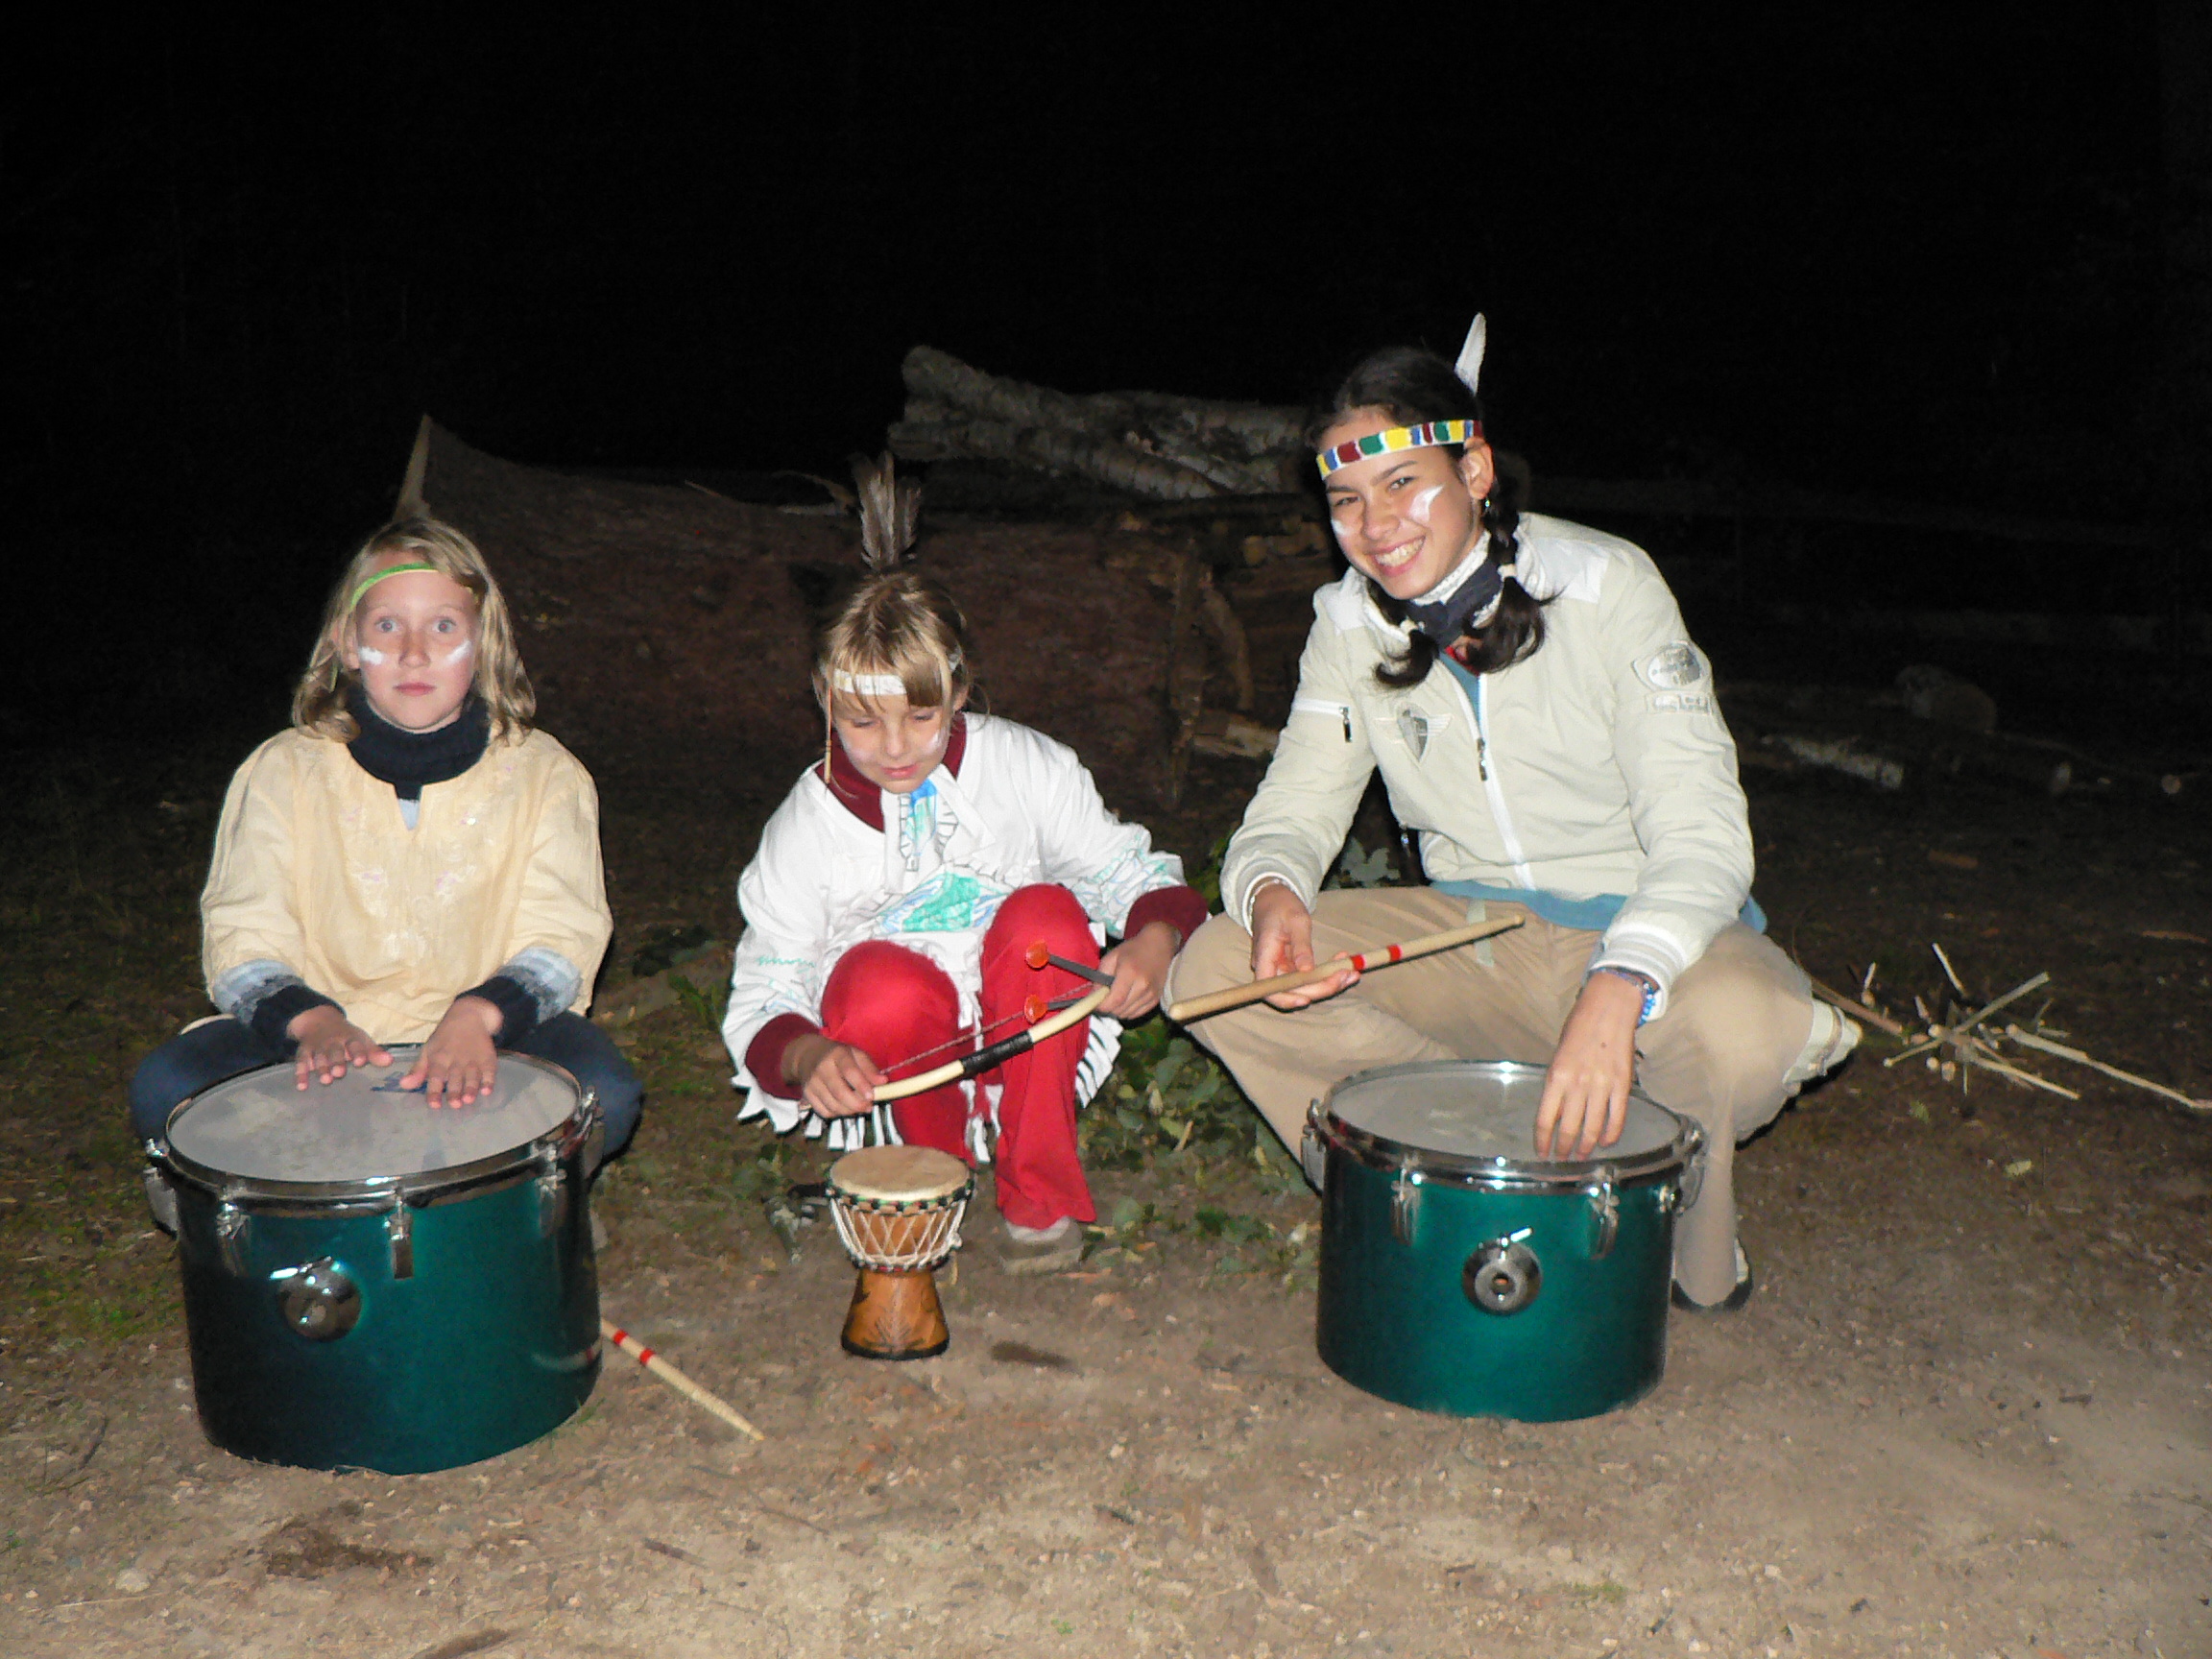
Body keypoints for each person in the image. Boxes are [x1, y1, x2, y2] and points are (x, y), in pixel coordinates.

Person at [1164, 318, 1858, 1311]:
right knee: (1217, 970)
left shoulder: (1608, 585)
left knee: (1749, 1026)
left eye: (1403, 483)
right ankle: (1472, 1148)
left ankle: (1658, 1216)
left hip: (1646, 942)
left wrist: (1620, 983)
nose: (1376, 524)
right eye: (1347, 499)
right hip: (1477, 943)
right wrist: (1273, 893)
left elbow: (1704, 833)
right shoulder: (1347, 624)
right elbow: (1292, 807)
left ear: (1476, 470)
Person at [721, 462, 1207, 1276]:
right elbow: (767, 989)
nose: (896, 748)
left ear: (958, 689)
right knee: (876, 980)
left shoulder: (1024, 766)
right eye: (862, 722)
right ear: (823, 697)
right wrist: (806, 1057)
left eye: (922, 715)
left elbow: (1129, 871)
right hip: (902, 1060)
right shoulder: (804, 829)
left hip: (1029, 1028)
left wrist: (1155, 941)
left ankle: (1038, 1187)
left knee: (1047, 919)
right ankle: (928, 1180)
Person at [131, 518, 639, 1162]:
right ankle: (289, 1208)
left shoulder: (546, 776)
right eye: (388, 625)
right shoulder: (284, 771)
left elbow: (562, 934)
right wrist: (310, 1021)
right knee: (170, 1089)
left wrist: (478, 1016)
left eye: (444, 626)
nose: (414, 652)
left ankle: (516, 1207)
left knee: (601, 1093)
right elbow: (244, 931)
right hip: (319, 1030)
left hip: (490, 1032)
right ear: (348, 642)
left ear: (483, 642)